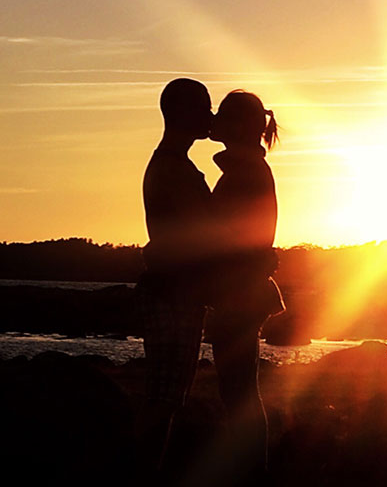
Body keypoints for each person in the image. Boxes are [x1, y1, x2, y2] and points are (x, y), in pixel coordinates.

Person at [135, 77, 214, 479]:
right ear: (182, 113)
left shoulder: (170, 164)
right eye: (204, 108)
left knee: (167, 397)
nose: (211, 116)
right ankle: (142, 473)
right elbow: (205, 232)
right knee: (164, 399)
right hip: (174, 293)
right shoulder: (175, 169)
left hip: (174, 291)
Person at [206, 90, 285, 481]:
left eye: (221, 114)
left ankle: (252, 474)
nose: (213, 119)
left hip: (239, 294)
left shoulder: (245, 172)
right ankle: (252, 472)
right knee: (240, 391)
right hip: (242, 292)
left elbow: (226, 236)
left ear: (238, 125)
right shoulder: (247, 169)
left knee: (239, 394)